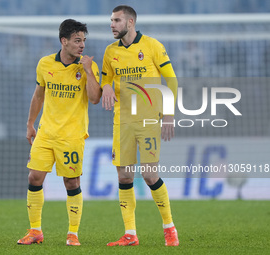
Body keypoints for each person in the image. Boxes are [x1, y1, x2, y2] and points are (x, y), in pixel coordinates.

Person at [17, 19, 101, 246]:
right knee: (34, 177)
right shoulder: (45, 64)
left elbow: (95, 98)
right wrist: (30, 123)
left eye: (84, 40)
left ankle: (72, 233)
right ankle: (35, 231)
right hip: (46, 133)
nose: (82, 45)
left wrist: (88, 72)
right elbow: (38, 95)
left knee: (71, 183)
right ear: (64, 41)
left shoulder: (88, 66)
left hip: (72, 135)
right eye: (77, 40)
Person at [101, 5, 179, 246]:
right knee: (124, 176)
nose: (112, 24)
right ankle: (130, 234)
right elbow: (106, 78)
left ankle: (169, 228)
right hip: (122, 122)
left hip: (148, 121)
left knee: (148, 174)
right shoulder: (110, 51)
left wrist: (168, 114)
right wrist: (105, 85)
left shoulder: (153, 46)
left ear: (130, 22)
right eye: (111, 20)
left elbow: (172, 80)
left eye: (116, 20)